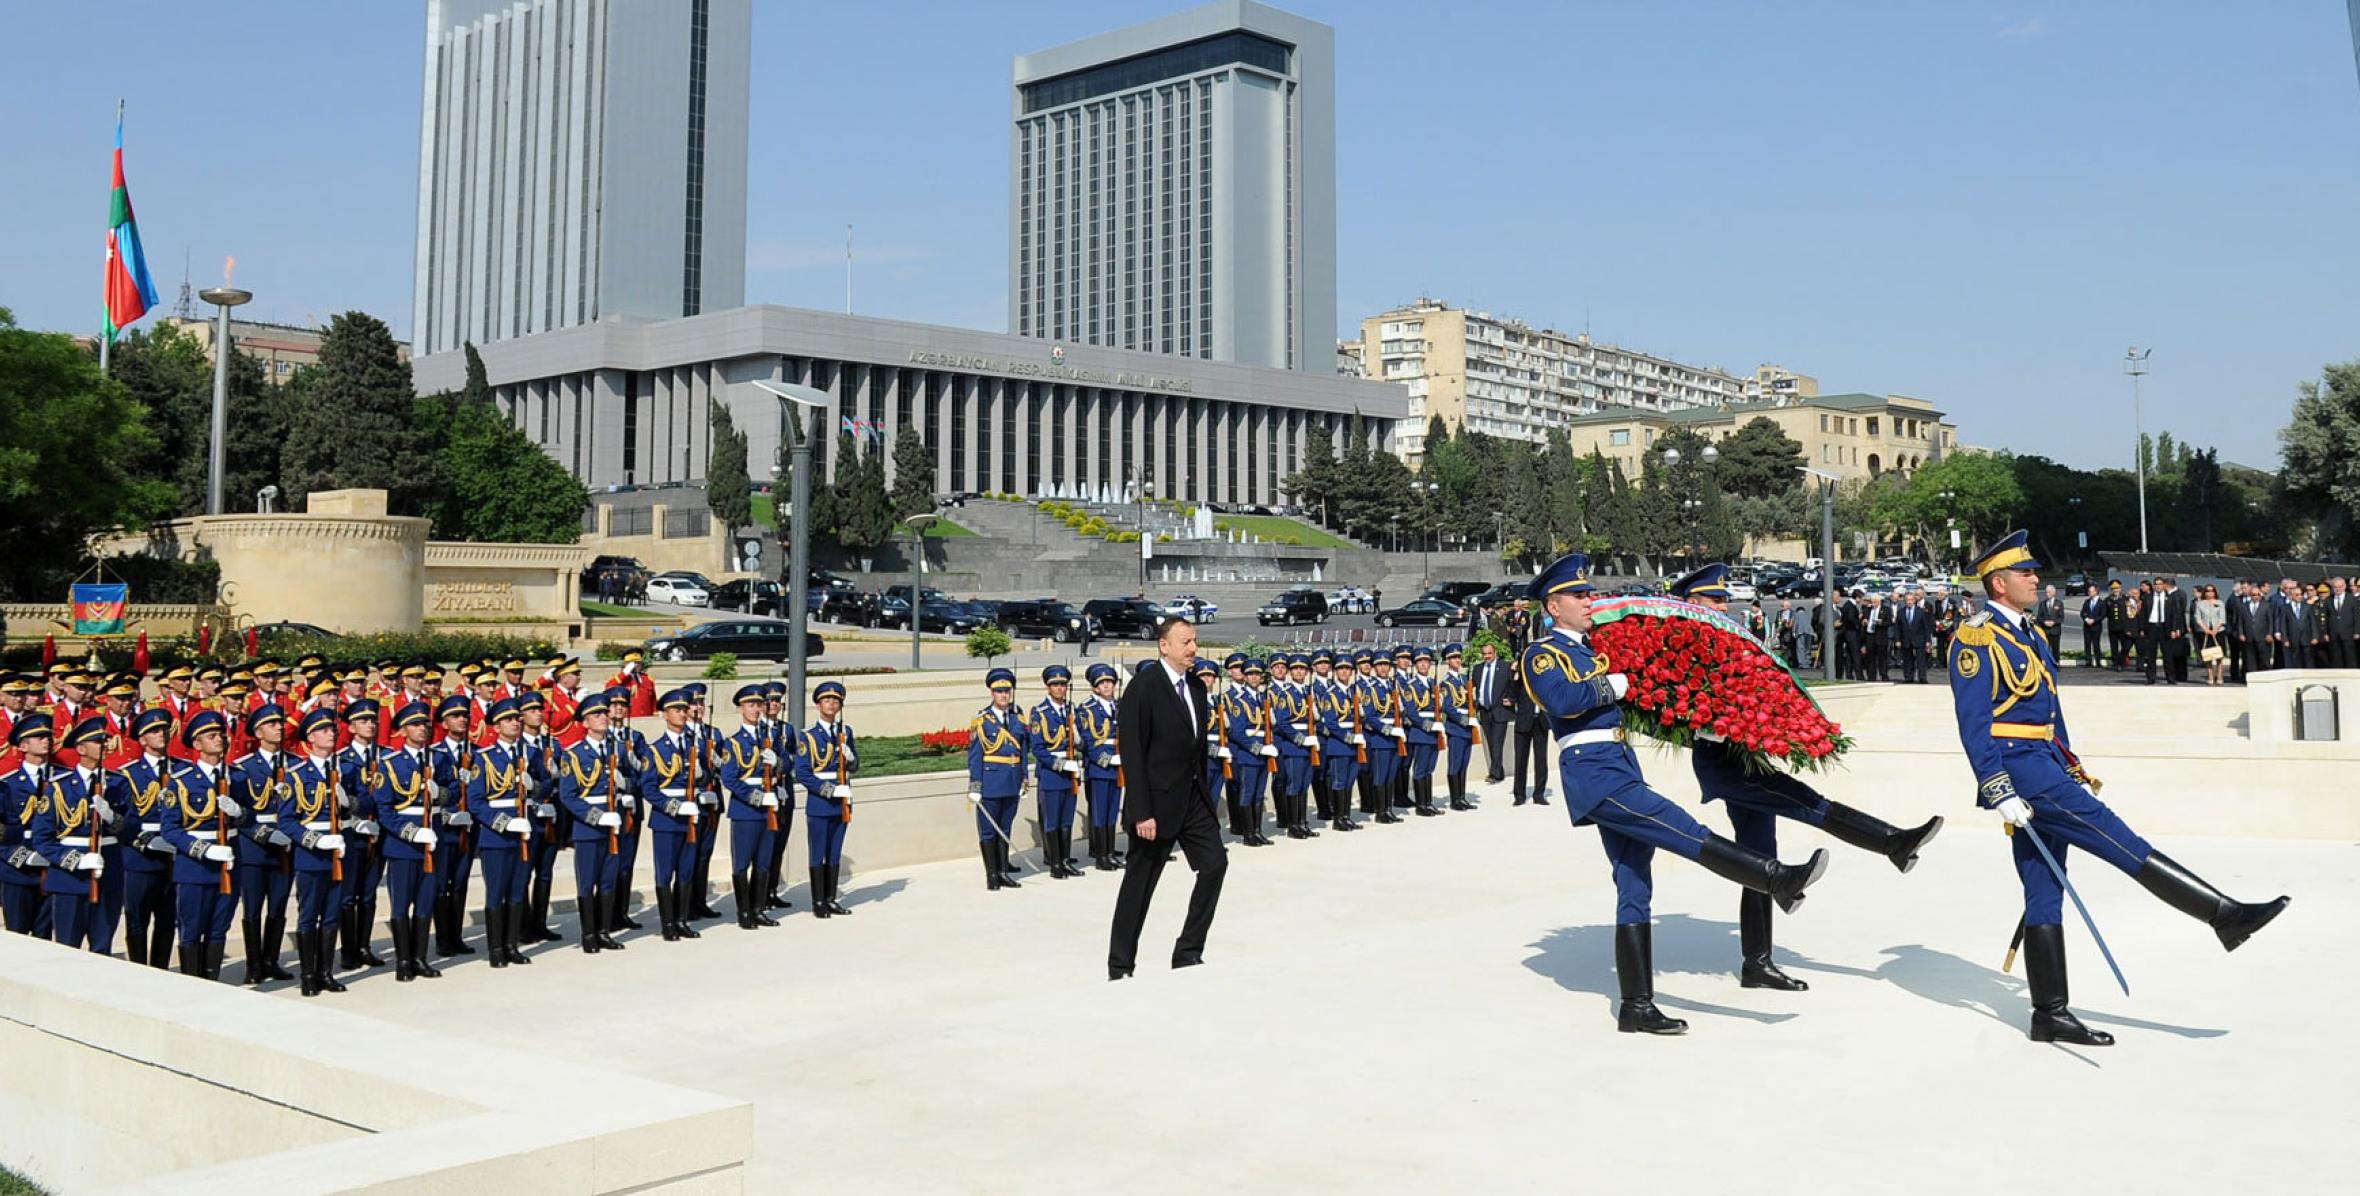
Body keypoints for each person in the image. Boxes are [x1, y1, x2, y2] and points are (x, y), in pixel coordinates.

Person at [1951, 532, 2289, 1045]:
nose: (2036, 578)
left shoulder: (2032, 634)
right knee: (2119, 841)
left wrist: (2069, 762)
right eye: (2025, 573)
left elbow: (2050, 713)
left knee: (2044, 888)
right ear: (1999, 583)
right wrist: (1997, 787)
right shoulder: (1977, 637)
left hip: (2045, 764)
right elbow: (1974, 722)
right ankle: (2223, 915)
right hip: (2019, 770)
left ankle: (2049, 1014)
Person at [1522, 552, 1829, 1034]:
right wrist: (1615, 683)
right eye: (1578, 595)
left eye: (1588, 592)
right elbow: (1562, 699)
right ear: (1553, 606)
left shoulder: (1589, 650)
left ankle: (1635, 1006)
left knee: (1634, 885)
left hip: (1618, 765)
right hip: (1594, 773)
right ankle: (1776, 878)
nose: (1589, 601)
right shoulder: (1543, 653)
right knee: (1682, 830)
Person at [1669, 566, 1943, 989]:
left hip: (1744, 755)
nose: (1724, 606)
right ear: (1692, 603)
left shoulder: (1726, 644)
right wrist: (1722, 721)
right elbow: (1680, 710)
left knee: (1759, 858)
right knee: (1806, 802)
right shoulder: (1683, 648)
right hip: (1722, 761)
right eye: (1715, 600)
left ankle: (1756, 963)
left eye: (1724, 599)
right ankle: (1892, 842)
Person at [1107, 616, 1227, 981]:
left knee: (1214, 865)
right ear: (1164, 645)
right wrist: (1141, 811)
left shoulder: (1196, 687)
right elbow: (1132, 752)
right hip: (1154, 807)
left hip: (1192, 799)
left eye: (1194, 641)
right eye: (1185, 642)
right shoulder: (1143, 688)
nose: (1193, 648)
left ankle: (1188, 951)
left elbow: (1196, 747)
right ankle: (1120, 965)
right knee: (1140, 885)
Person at [26, 717, 123, 951]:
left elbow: (130, 829)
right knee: (67, 947)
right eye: (97, 741)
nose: (105, 745)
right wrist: (76, 860)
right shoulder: (59, 787)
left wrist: (111, 817)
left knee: (102, 947)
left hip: (107, 873)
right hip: (69, 879)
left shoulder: (119, 782)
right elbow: (42, 839)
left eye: (106, 740)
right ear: (80, 749)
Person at [159, 711, 241, 978]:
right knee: (192, 928)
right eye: (211, 736)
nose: (219, 739)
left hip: (228, 861)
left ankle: (212, 980)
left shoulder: (236, 777)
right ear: (196, 745)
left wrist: (239, 812)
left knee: (219, 927)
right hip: (195, 866)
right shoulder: (181, 782)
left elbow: (250, 817)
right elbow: (170, 829)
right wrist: (204, 849)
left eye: (220, 734)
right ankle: (193, 984)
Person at [279, 709, 353, 993]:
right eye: (324, 731)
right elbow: (286, 820)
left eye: (332, 730)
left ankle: (326, 972)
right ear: (310, 738)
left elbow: (365, 805)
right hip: (312, 854)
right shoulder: (296, 775)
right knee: (309, 914)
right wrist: (314, 840)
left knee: (332, 914)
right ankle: (308, 975)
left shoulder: (343, 769)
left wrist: (350, 802)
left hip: (340, 850)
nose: (331, 734)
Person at [373, 701, 444, 980]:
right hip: (403, 845)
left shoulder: (437, 759)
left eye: (424, 724)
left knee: (425, 903)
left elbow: (451, 792)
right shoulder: (390, 764)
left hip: (431, 841)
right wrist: (411, 832)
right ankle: (403, 960)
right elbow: (385, 810)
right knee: (401, 904)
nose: (422, 729)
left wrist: (441, 793)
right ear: (403, 730)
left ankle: (420, 957)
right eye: (415, 725)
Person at [557, 692, 631, 954]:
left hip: (614, 823)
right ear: (585, 722)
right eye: (597, 715)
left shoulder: (618, 748)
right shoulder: (574, 755)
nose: (604, 718)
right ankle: (589, 933)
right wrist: (597, 816)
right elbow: (568, 795)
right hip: (588, 827)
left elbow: (635, 780)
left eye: (604, 713)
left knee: (609, 880)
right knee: (588, 882)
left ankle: (604, 931)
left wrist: (626, 787)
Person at [232, 705, 298, 985]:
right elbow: (238, 812)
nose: (280, 728)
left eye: (280, 723)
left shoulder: (295, 764)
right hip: (254, 846)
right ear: (258, 732)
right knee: (253, 906)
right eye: (272, 724)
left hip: (287, 844)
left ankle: (271, 960)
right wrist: (262, 834)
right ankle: (254, 962)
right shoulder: (244, 768)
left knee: (279, 904)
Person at [717, 685, 785, 929]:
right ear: (740, 708)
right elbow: (729, 778)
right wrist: (757, 797)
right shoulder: (732, 743)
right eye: (750, 705)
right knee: (742, 863)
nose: (756, 709)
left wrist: (778, 762)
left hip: (769, 807)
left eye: (759, 705)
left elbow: (786, 763)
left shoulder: (771, 738)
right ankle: (743, 912)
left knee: (764, 861)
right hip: (746, 810)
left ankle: (758, 909)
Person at [119, 708, 182, 967]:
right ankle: (137, 970)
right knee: (137, 919)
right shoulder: (129, 774)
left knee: (168, 919)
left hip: (175, 855)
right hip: (140, 857)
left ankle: (161, 969)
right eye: (153, 731)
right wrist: (145, 840)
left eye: (164, 730)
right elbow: (124, 819)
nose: (161, 734)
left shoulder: (182, 770)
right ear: (142, 740)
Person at [794, 681, 858, 918]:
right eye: (827, 700)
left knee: (834, 851)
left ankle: (831, 899)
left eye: (836, 701)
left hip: (843, 802)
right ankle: (818, 901)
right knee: (818, 851)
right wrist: (830, 791)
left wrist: (849, 758)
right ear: (818, 705)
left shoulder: (845, 732)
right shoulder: (808, 736)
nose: (831, 704)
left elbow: (856, 764)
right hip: (821, 802)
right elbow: (803, 773)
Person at [966, 669, 1030, 890]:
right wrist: (975, 785)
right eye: (999, 691)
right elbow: (975, 756)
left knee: (1005, 827)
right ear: (991, 693)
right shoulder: (982, 720)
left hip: (1012, 781)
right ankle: (991, 874)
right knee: (988, 830)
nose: (1004, 695)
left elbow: (1023, 751)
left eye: (1007, 691)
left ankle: (1004, 871)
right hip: (991, 782)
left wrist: (1024, 779)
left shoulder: (1017, 717)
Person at [1027, 665, 1088, 876]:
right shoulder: (1040, 713)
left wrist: (1079, 740)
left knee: (1066, 820)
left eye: (1063, 685)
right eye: (1055, 685)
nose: (1060, 688)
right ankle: (1054, 863)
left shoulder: (1072, 710)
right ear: (1048, 687)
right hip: (1052, 774)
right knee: (1052, 820)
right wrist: (1061, 764)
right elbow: (1038, 748)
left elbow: (1082, 742)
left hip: (1071, 774)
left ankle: (1065, 859)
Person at [1077, 663, 1130, 864]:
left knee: (1111, 811)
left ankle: (1109, 851)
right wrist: (1107, 760)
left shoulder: (1119, 706)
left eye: (1110, 682)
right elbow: (1089, 742)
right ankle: (1100, 855)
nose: (1107, 686)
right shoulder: (1087, 710)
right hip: (1099, 768)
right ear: (1094, 687)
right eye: (1102, 683)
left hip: (1117, 767)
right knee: (1100, 811)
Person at [1266, 655, 1318, 842]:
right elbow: (1282, 722)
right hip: (1293, 745)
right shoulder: (1285, 694)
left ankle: (1302, 822)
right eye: (1295, 669)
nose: (1299, 672)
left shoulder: (1306, 692)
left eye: (1302, 669)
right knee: (1293, 784)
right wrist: (1301, 739)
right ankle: (1292, 824)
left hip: (1307, 743)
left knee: (1304, 784)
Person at [1224, 658, 1277, 845]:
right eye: (1250, 674)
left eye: (1257, 674)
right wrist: (1259, 748)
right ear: (1245, 677)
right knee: (1248, 793)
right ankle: (1247, 834)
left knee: (1259, 794)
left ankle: (1257, 831)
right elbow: (1237, 732)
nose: (1254, 678)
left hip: (1264, 753)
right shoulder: (1240, 701)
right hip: (1249, 754)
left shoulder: (1263, 699)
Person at [1313, 650, 1362, 833]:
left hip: (1354, 743)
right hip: (1339, 744)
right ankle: (1338, 818)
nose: (1344, 672)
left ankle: (1346, 816)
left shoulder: (1352, 692)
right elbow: (1331, 723)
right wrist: (1350, 737)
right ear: (1335, 671)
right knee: (1339, 781)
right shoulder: (1330, 694)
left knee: (1349, 781)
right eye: (1340, 669)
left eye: (1347, 669)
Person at [1438, 643, 1479, 812]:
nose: (1457, 660)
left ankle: (1462, 797)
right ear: (1447, 661)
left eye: (1458, 657)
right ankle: (1455, 799)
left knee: (1464, 764)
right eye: (1453, 658)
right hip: (1456, 728)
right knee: (1455, 764)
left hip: (1468, 727)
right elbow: (1448, 707)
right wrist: (1464, 720)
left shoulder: (1464, 680)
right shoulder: (1446, 683)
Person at [1508, 655, 1551, 807]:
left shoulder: (1544, 679)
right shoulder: (1520, 678)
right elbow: (1512, 694)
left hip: (1541, 721)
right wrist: (1514, 675)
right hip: (1524, 721)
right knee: (1520, 759)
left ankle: (1539, 794)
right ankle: (1519, 795)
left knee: (1541, 759)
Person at [1472, 641, 1512, 783]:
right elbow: (1474, 688)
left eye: (1489, 653)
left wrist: (1511, 700)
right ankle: (1499, 771)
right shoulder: (1477, 669)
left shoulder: (1505, 667)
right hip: (1484, 711)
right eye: (1484, 654)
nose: (1487, 656)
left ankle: (1494, 774)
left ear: (1495, 653)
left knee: (1497, 743)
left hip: (1500, 711)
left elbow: (1513, 686)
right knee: (1490, 743)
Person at [1894, 589, 1932, 684]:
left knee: (1921, 660)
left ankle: (1922, 677)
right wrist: (1897, 640)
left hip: (1919, 639)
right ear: (1905, 601)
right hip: (1906, 639)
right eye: (1907, 600)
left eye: (1911, 600)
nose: (1909, 602)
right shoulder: (1901, 612)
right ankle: (1908, 677)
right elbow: (1897, 627)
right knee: (1907, 660)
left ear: (1914, 600)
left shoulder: (1921, 612)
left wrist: (1928, 640)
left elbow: (1926, 627)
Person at [2329, 576, 2358, 669]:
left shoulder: (2352, 599)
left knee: (2350, 657)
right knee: (2336, 658)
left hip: (2348, 633)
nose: (2338, 589)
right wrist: (2326, 633)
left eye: (2340, 586)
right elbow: (2327, 617)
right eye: (2335, 587)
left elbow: (2357, 617)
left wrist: (2357, 631)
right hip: (2334, 633)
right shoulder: (2329, 600)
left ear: (2345, 586)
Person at [2079, 584, 2107, 670]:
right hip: (2087, 626)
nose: (2089, 593)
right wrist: (2086, 618)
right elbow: (2082, 612)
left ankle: (2098, 661)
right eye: (2089, 591)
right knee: (2087, 644)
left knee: (2096, 644)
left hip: (2096, 626)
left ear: (2096, 592)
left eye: (2091, 591)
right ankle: (2088, 661)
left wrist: (2094, 620)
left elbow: (2103, 615)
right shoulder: (2087, 602)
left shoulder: (2101, 602)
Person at [2036, 584, 2066, 657]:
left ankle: (2056, 663)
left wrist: (2054, 622)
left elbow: (2061, 617)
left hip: (2055, 630)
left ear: (2054, 592)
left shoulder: (2059, 603)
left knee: (2055, 649)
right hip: (2045, 631)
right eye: (2046, 592)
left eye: (2049, 592)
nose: (2047, 594)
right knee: (2045, 649)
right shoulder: (2042, 604)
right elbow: (2039, 617)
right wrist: (2044, 622)